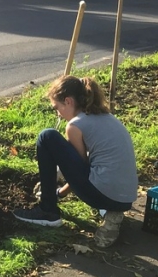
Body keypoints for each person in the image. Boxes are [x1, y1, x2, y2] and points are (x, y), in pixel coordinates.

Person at [12, 76, 137, 247]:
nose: (58, 113)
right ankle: (112, 214)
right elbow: (81, 170)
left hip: (102, 195)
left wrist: (58, 193)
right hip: (124, 199)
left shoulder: (75, 126)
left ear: (68, 101)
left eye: (57, 107)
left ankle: (47, 211)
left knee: (47, 136)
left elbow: (79, 170)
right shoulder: (105, 117)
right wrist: (60, 193)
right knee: (94, 171)